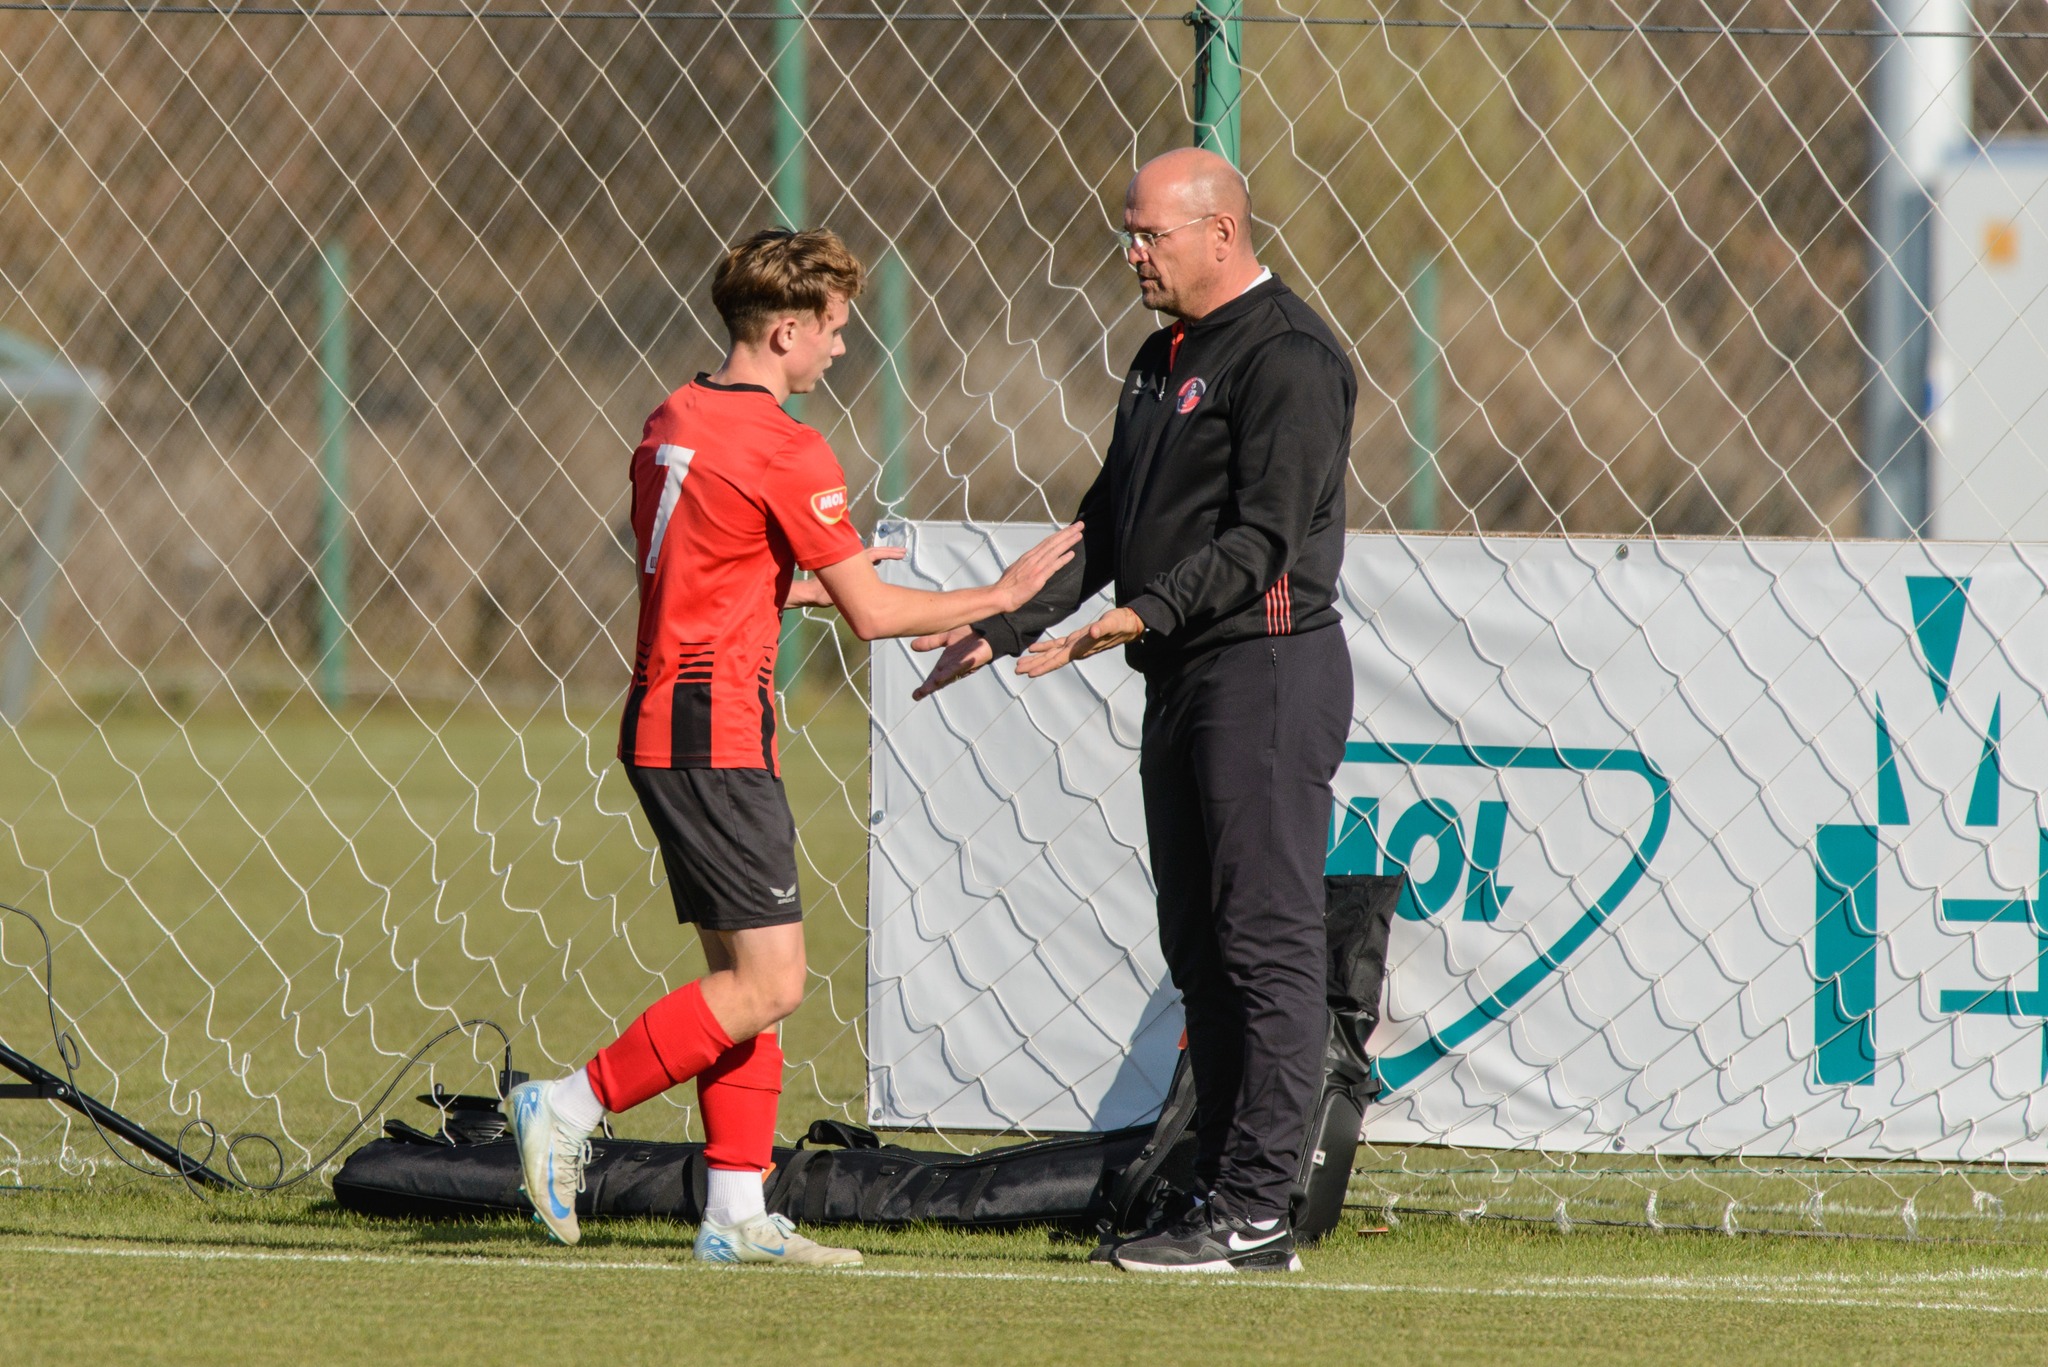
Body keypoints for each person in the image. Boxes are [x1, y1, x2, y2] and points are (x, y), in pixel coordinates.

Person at [508, 227, 1082, 1266]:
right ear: (784, 331)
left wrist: (804, 577)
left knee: (740, 979)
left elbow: (715, 565)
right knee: (770, 982)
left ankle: (735, 1210)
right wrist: (999, 596)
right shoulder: (786, 446)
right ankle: (568, 1103)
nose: (842, 348)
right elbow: (874, 616)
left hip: (665, 717)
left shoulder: (674, 413)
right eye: (833, 328)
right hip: (716, 727)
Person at [913, 148, 1356, 1274]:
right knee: (1199, 946)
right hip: (1181, 673)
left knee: (1263, 938)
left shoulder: (1291, 357)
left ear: (1221, 232)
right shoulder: (1159, 357)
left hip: (1264, 672)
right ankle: (1216, 1185)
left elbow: (1265, 538)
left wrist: (1145, 611)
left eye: (1150, 234)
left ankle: (1257, 1209)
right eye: (1129, 233)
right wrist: (1007, 621)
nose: (1133, 254)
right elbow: (1109, 519)